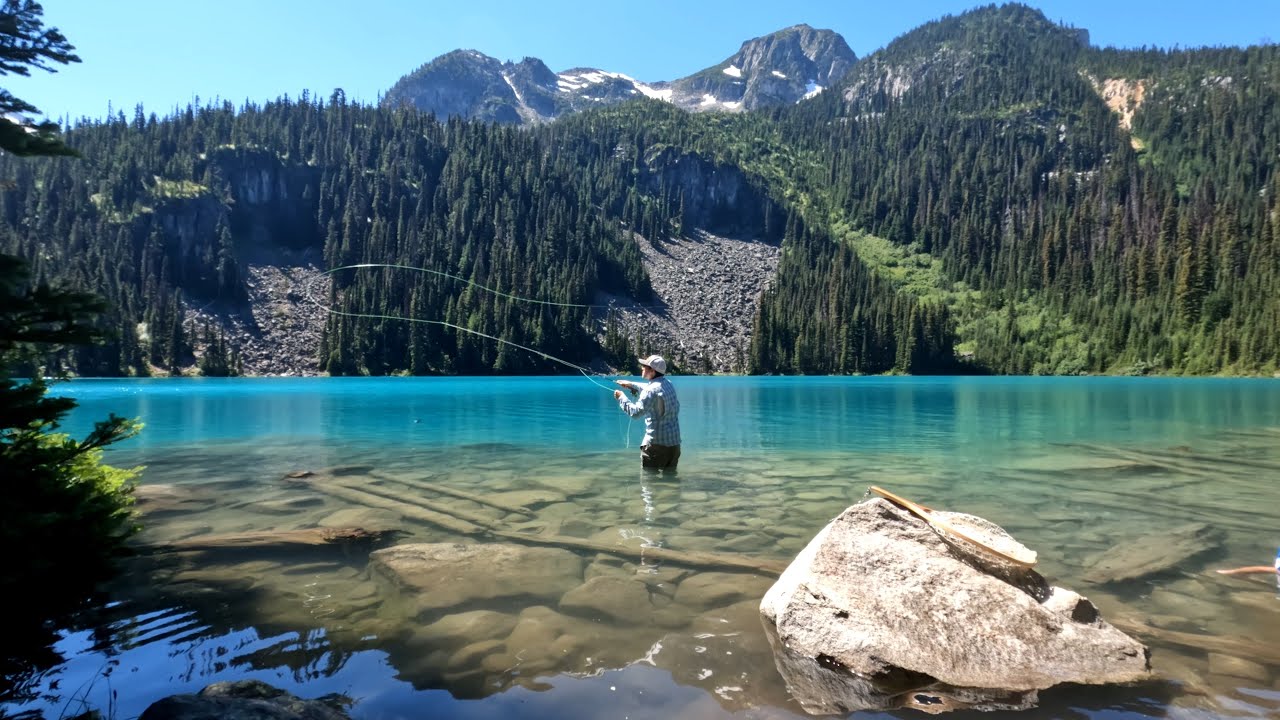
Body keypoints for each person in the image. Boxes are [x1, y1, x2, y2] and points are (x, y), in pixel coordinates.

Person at [614, 354, 681, 471]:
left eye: (645, 366)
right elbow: (650, 388)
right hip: (674, 446)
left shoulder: (650, 391)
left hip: (655, 447)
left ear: (652, 371)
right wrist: (630, 384)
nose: (642, 368)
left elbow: (635, 413)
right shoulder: (669, 384)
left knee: (649, 483)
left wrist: (621, 397)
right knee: (670, 482)